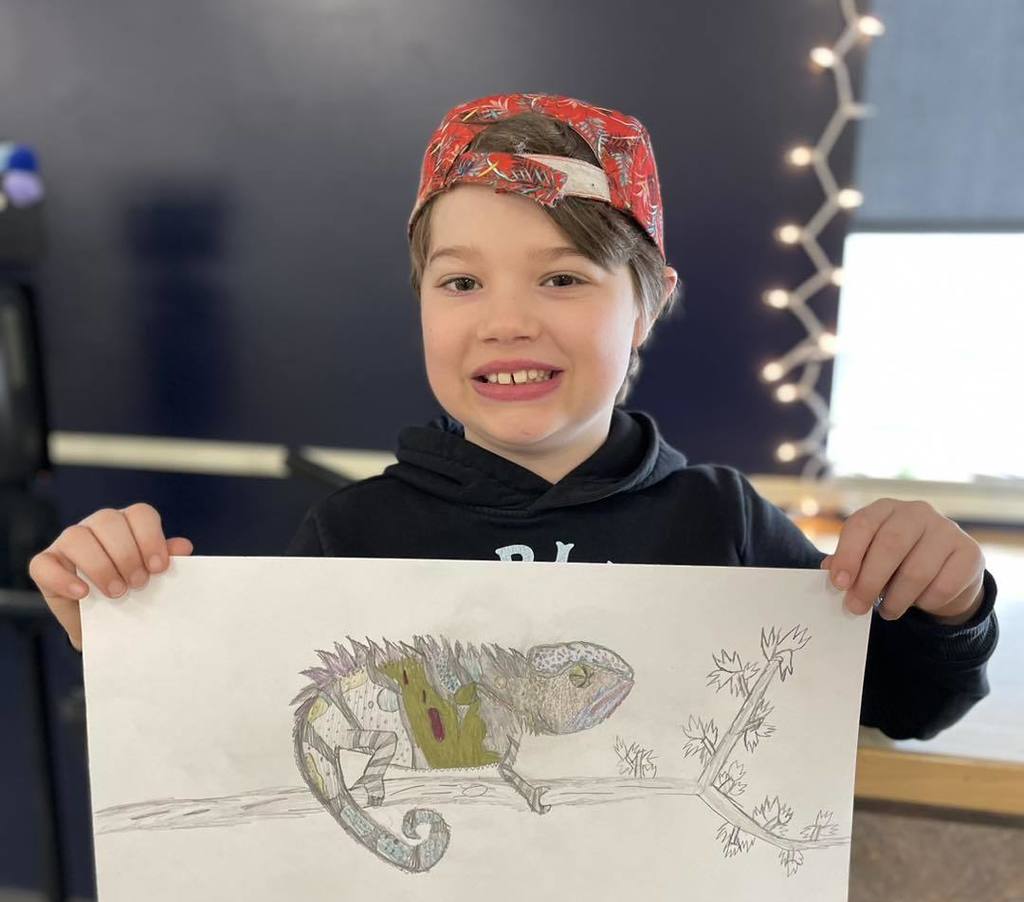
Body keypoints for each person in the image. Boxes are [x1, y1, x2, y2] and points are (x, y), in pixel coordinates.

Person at [28, 92, 999, 741]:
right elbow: (256, 732)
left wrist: (946, 600)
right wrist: (128, 626)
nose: (505, 319)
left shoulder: (726, 523)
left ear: (650, 303)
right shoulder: (355, 534)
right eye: (460, 280)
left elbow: (903, 706)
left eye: (563, 276)